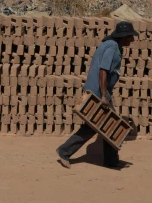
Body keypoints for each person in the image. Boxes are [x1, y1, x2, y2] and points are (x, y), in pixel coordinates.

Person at [56, 21, 139, 169]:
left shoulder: (111, 45)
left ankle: (110, 160)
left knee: (102, 126)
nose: (132, 40)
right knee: (109, 125)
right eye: (130, 37)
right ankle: (65, 151)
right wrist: (104, 97)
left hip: (99, 90)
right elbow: (103, 70)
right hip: (98, 92)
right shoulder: (112, 47)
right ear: (124, 36)